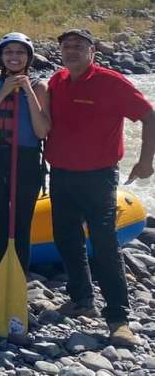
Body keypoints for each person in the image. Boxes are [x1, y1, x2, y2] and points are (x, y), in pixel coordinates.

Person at [45, 28, 154, 347]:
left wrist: (146, 161)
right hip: (61, 174)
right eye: (67, 46)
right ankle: (81, 299)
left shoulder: (110, 81)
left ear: (93, 51)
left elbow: (149, 116)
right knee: (66, 239)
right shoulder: (57, 81)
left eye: (79, 46)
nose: (72, 51)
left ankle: (119, 318)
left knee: (105, 246)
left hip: (99, 177)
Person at [0, 33, 50, 278]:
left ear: (29, 57)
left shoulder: (39, 86)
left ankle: (19, 280)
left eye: (20, 52)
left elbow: (41, 130)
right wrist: (3, 91)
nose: (14, 57)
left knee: (21, 224)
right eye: (9, 53)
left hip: (26, 161)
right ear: (1, 57)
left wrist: (27, 91)